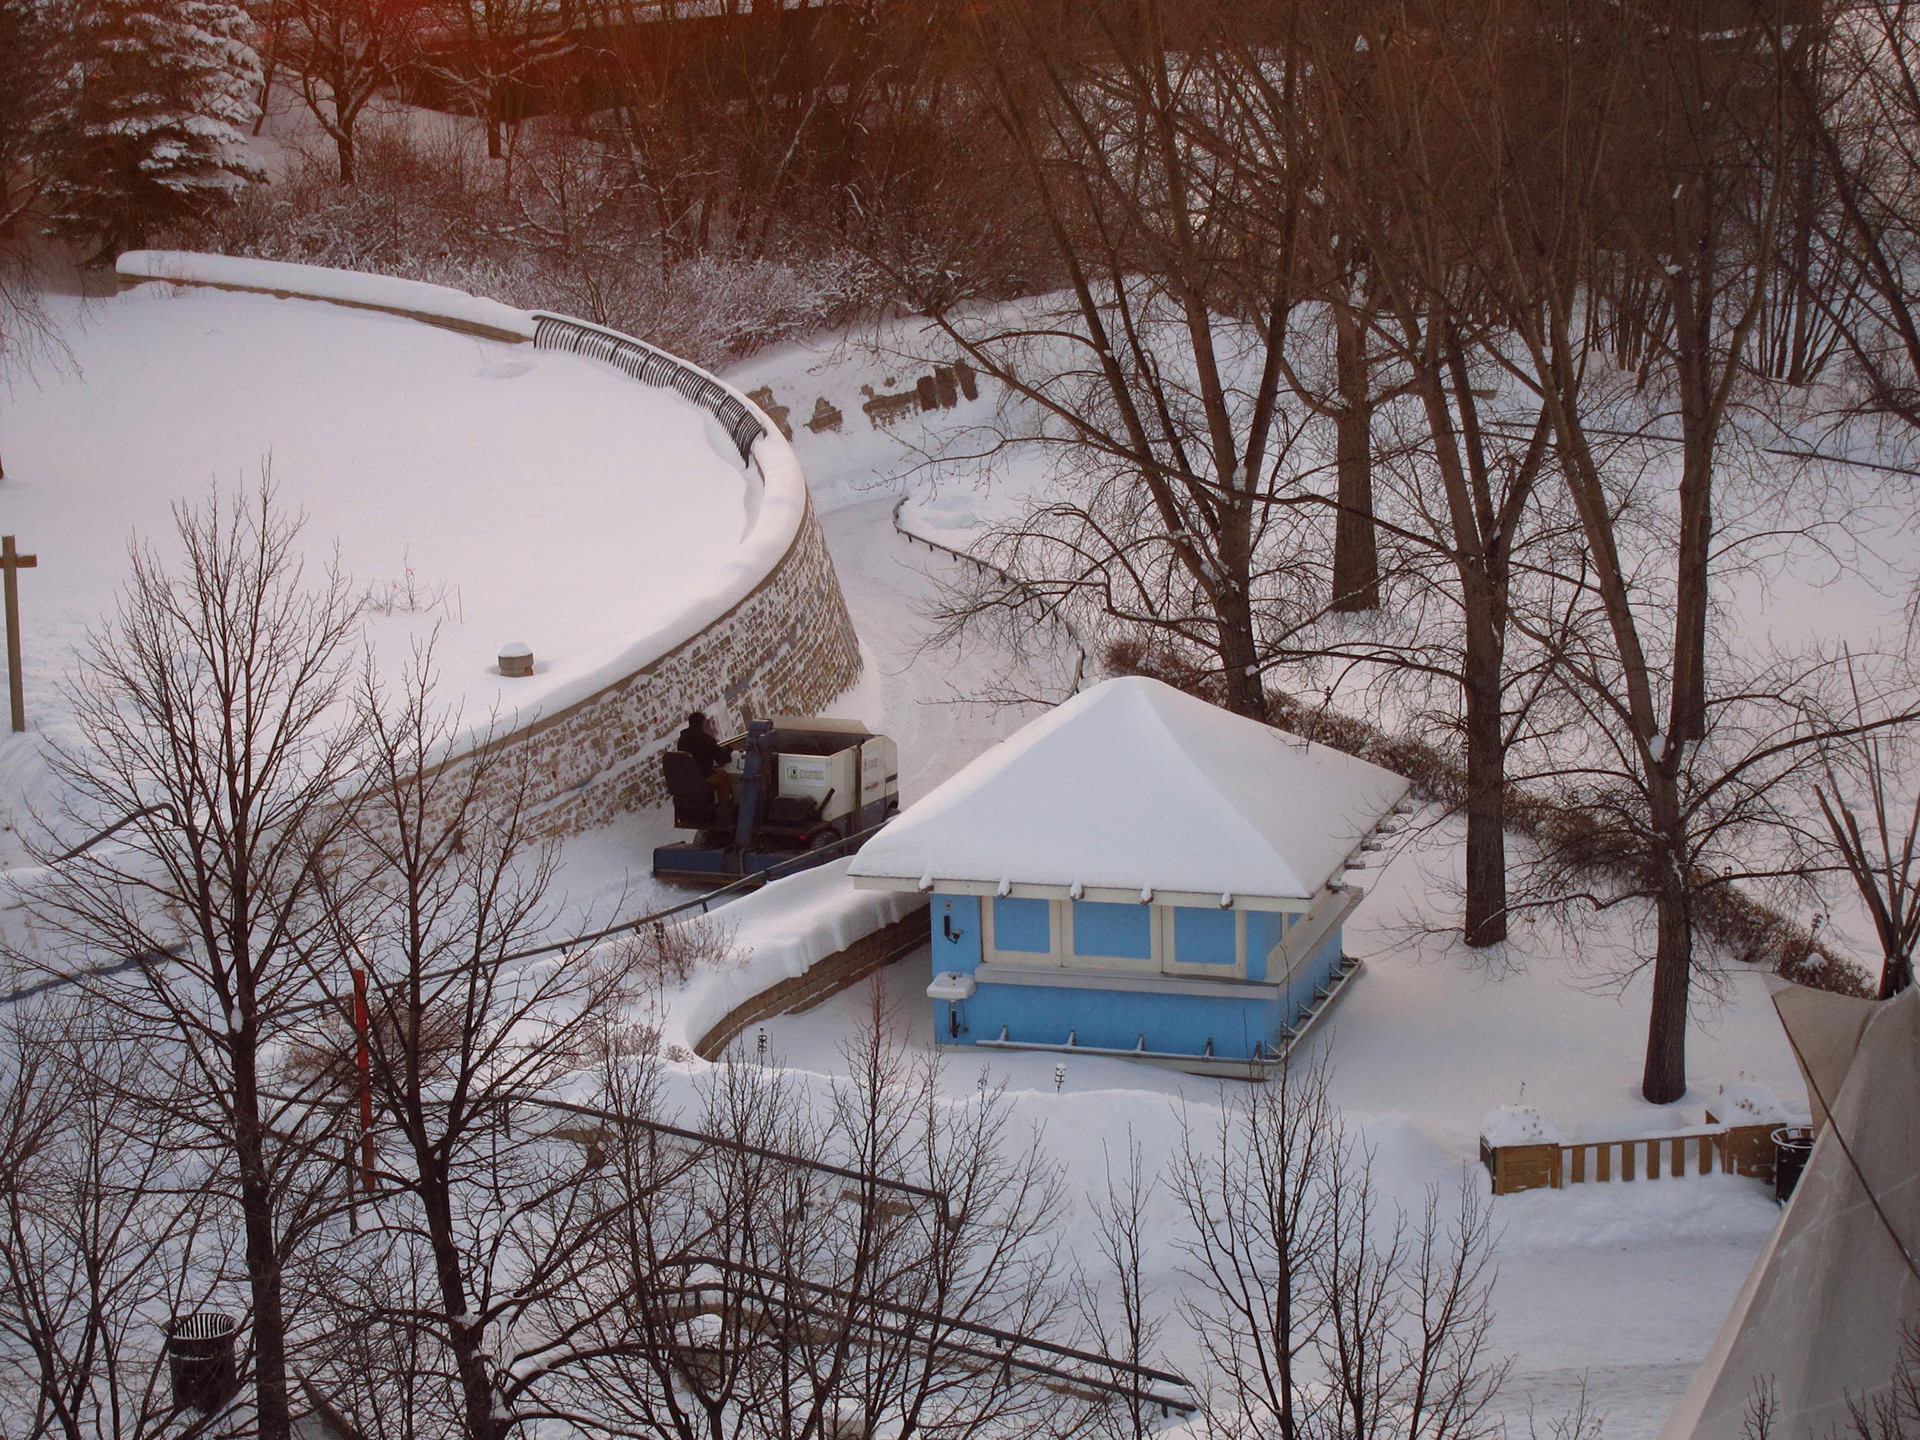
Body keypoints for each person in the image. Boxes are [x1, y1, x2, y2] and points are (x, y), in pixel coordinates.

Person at [675, 711, 734, 806]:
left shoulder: (682, 740)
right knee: (724, 777)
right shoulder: (707, 740)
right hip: (704, 776)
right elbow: (722, 759)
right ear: (702, 724)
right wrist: (727, 751)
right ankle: (724, 807)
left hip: (689, 778)